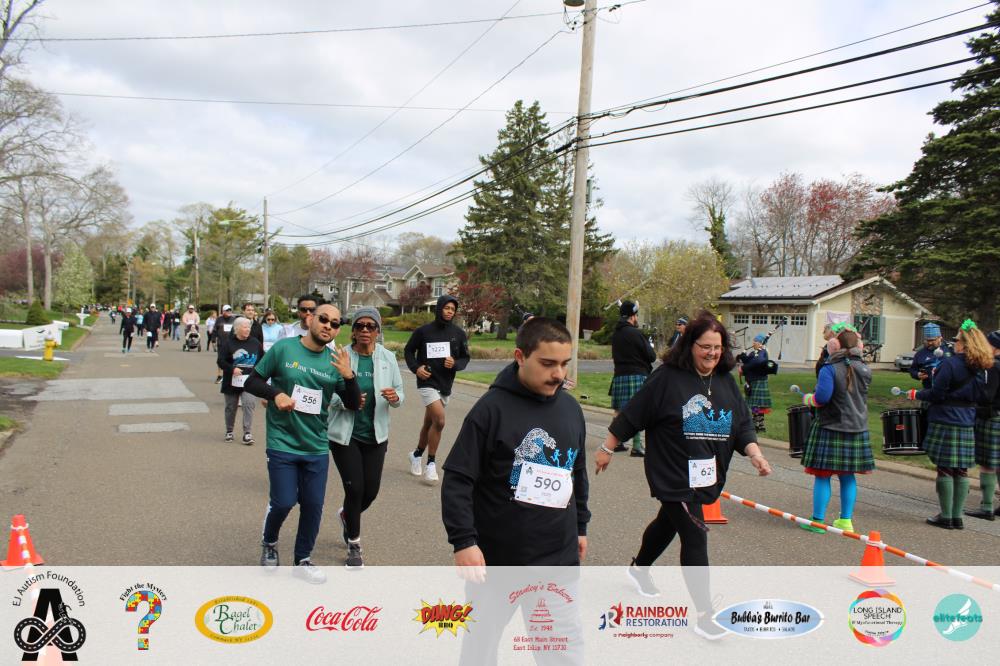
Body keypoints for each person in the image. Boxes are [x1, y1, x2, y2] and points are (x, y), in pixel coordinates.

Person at [594, 312, 771, 641]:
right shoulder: (667, 378)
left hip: (706, 474)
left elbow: (742, 424)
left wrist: (755, 454)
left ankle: (639, 568)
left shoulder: (724, 381)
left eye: (717, 347)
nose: (712, 353)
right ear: (690, 345)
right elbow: (634, 413)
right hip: (672, 470)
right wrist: (607, 447)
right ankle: (705, 614)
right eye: (705, 347)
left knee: (668, 522)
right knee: (695, 533)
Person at [443, 317, 590, 566]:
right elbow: (458, 479)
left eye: (564, 364)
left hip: (561, 555)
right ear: (520, 357)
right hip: (502, 558)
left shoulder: (571, 409)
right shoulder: (490, 410)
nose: (559, 374)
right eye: (547, 364)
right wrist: (464, 541)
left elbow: (577, 471)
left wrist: (581, 526)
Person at [243, 303, 360, 583]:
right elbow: (252, 382)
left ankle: (302, 559)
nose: (328, 326)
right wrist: (275, 394)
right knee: (284, 501)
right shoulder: (284, 349)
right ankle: (270, 542)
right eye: (323, 319)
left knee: (313, 505)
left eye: (335, 323)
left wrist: (349, 376)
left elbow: (353, 403)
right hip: (282, 441)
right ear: (310, 319)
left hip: (316, 445)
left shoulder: (336, 362)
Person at [327, 307, 404, 569]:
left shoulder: (387, 357)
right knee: (355, 488)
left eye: (371, 326)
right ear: (353, 330)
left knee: (370, 492)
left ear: (378, 331)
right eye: (360, 325)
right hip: (345, 435)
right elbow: (328, 392)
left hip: (376, 434)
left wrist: (395, 397)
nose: (365, 330)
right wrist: (345, 401)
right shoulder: (342, 356)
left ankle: (347, 515)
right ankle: (354, 544)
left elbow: (400, 391)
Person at [904, 320, 992, 529]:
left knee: (944, 468)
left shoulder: (949, 364)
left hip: (945, 418)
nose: (955, 344)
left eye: (957, 340)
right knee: (961, 470)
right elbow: (983, 396)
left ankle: (946, 516)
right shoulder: (984, 367)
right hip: (967, 419)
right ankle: (957, 517)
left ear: (965, 343)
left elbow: (937, 394)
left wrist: (917, 394)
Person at [797, 326, 873, 534]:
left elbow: (821, 398)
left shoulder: (829, 368)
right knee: (847, 476)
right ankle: (845, 521)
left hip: (831, 426)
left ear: (834, 345)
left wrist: (808, 399)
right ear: (859, 346)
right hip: (857, 427)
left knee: (823, 476)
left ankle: (818, 521)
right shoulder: (865, 369)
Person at [404, 295, 470, 484]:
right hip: (427, 381)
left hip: (445, 384)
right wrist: (416, 368)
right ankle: (431, 463)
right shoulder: (423, 331)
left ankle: (416, 455)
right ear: (439, 308)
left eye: (452, 309)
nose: (449, 311)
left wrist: (455, 363)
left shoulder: (458, 333)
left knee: (429, 423)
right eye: (446, 308)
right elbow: (409, 351)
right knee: (439, 421)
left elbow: (465, 358)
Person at [609, 300, 656, 456]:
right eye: (636, 315)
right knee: (636, 410)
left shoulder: (616, 334)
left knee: (620, 411)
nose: (636, 318)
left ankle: (617, 442)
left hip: (619, 375)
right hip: (636, 375)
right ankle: (637, 446)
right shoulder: (636, 333)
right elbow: (651, 356)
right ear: (632, 316)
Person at [966, 329, 1000, 521]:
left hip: (992, 418)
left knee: (987, 464)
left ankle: (987, 507)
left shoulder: (992, 366)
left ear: (995, 347)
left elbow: (987, 396)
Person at [217, 317, 263, 444]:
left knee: (249, 404)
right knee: (231, 407)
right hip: (232, 381)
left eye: (249, 327)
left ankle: (247, 433)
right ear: (237, 329)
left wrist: (258, 373)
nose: (248, 330)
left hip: (249, 381)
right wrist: (232, 369)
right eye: (245, 327)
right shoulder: (228, 343)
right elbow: (220, 361)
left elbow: (262, 359)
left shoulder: (255, 343)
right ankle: (229, 431)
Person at [738, 334, 773, 433]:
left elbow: (757, 362)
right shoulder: (754, 353)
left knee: (757, 405)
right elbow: (749, 361)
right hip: (752, 381)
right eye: (753, 340)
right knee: (755, 405)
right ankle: (758, 424)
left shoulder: (762, 352)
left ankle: (758, 425)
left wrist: (743, 368)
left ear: (761, 343)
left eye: (756, 341)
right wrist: (743, 356)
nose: (753, 343)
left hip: (759, 381)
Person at [214, 305, 236, 382]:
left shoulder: (234, 319)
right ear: (223, 311)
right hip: (221, 343)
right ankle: (220, 375)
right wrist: (213, 340)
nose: (229, 312)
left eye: (230, 310)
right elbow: (215, 330)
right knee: (221, 360)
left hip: (232, 343)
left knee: (231, 359)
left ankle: (229, 375)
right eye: (227, 310)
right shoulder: (219, 319)